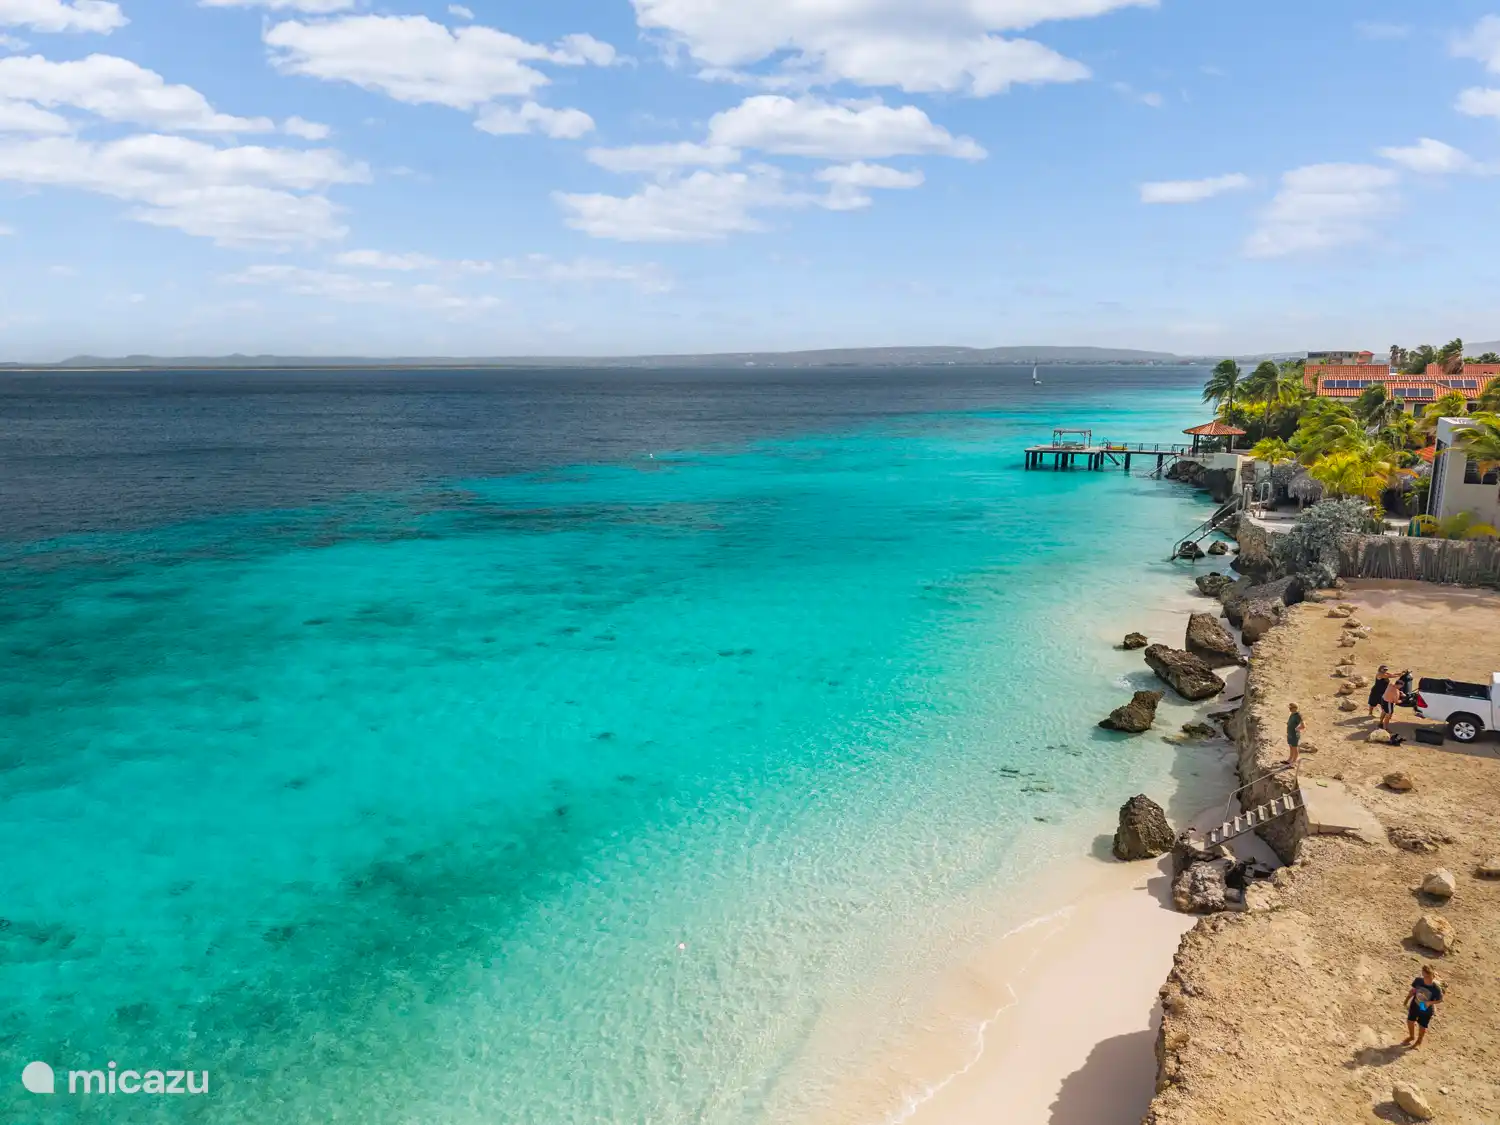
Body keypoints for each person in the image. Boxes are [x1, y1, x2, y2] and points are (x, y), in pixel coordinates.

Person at [1402, 964, 1444, 1048]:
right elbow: (1413, 990)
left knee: (1422, 1025)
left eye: (1428, 976)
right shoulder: (1418, 981)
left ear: (1433, 975)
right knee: (1410, 1021)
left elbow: (1440, 1000)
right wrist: (1406, 1000)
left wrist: (1429, 1003)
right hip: (1415, 1004)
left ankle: (1419, 1041)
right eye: (1424, 976)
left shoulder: (1436, 988)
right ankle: (1411, 1036)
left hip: (1425, 1008)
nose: (1426, 979)